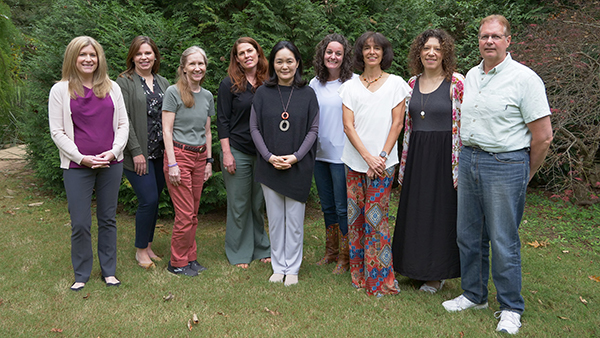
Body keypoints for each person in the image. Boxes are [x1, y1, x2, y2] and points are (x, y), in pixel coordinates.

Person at [441, 15, 553, 335]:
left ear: (507, 41)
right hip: (470, 158)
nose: (489, 41)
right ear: (478, 41)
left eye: (495, 36)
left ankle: (510, 307)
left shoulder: (524, 79)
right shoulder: (472, 77)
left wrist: (525, 172)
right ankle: (474, 295)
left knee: (503, 240)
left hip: (505, 164)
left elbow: (543, 136)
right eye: (483, 36)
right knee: (469, 235)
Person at [48, 36, 129, 291]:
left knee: (107, 219)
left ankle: (109, 271)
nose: (88, 59)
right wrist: (80, 157)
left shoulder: (113, 88)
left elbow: (123, 125)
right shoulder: (60, 90)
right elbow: (57, 131)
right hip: (76, 166)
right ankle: (81, 273)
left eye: (92, 55)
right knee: (80, 222)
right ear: (73, 58)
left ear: (99, 59)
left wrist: (114, 152)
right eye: (82, 55)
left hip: (110, 164)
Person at [392, 29, 464, 293]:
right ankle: (413, 268)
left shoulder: (456, 83)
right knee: (416, 212)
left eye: (437, 48)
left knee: (439, 214)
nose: (431, 53)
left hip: (445, 156)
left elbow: (464, 124)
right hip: (417, 154)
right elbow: (407, 126)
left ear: (444, 52)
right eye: (426, 48)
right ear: (418, 53)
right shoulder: (411, 83)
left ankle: (436, 274)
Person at [338, 31, 410, 297]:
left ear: (384, 53)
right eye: (366, 48)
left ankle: (381, 280)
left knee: (375, 219)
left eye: (376, 48)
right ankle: (359, 276)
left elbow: (398, 124)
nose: (371, 52)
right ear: (360, 53)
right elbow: (348, 126)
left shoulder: (397, 84)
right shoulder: (349, 86)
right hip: (354, 162)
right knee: (355, 219)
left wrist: (379, 156)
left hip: (384, 163)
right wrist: (366, 157)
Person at [250, 41, 319, 286]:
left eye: (289, 60)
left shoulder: (308, 93)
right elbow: (254, 128)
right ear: (272, 64)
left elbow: (313, 129)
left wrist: (296, 156)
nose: (284, 66)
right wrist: (268, 156)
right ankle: (279, 267)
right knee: (276, 220)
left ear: (297, 63)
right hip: (269, 165)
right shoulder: (262, 93)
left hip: (297, 165)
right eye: (279, 61)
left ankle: (293, 268)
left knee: (295, 221)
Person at [217, 37, 271, 269]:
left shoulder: (269, 82)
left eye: (251, 50)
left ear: (258, 53)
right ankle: (238, 252)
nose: (247, 55)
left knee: (257, 203)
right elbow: (222, 121)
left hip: (262, 153)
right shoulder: (228, 84)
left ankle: (261, 248)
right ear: (236, 59)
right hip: (237, 150)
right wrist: (226, 153)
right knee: (239, 205)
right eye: (242, 53)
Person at [117, 36, 170, 269]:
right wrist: (136, 151)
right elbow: (123, 119)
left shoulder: (164, 82)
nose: (144, 57)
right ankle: (140, 251)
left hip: (161, 154)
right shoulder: (124, 82)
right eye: (139, 53)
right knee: (148, 200)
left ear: (155, 56)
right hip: (137, 155)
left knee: (155, 200)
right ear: (132, 57)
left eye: (148, 53)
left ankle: (148, 245)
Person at [162, 46, 214, 277]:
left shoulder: (208, 96)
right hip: (179, 155)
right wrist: (172, 164)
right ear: (183, 68)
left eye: (200, 63)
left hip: (200, 156)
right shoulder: (173, 92)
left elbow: (208, 131)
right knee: (184, 214)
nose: (197, 68)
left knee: (193, 212)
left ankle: (191, 258)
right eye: (192, 64)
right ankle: (177, 262)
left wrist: (210, 161)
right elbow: (166, 129)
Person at [309, 33, 356, 274]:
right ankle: (331, 252)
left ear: (345, 56)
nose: (333, 57)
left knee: (341, 207)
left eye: (338, 53)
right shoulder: (314, 83)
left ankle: (346, 257)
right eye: (329, 52)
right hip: (319, 155)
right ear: (322, 54)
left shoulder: (354, 83)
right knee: (327, 207)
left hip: (343, 156)